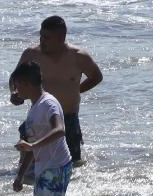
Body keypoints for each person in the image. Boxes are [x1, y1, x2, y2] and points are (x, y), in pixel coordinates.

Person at [12, 16, 103, 166]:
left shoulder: (78, 57)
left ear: (61, 38)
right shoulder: (32, 55)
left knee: (71, 166)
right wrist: (15, 93)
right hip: (39, 118)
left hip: (68, 118)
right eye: (40, 36)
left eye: (47, 37)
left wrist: (75, 90)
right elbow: (15, 78)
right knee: (31, 167)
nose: (42, 40)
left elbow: (96, 77)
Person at [10, 61, 73, 196]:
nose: (16, 91)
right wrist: (20, 176)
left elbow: (59, 130)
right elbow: (32, 147)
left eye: (17, 86)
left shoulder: (48, 103)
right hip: (46, 168)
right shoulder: (35, 107)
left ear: (26, 84)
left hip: (55, 168)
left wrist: (33, 146)